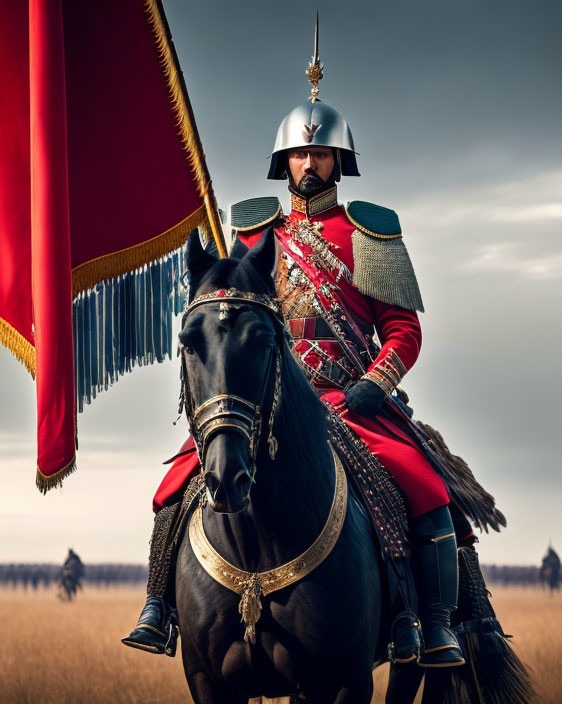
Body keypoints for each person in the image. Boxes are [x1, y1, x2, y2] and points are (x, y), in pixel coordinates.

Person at [122, 41, 466, 670]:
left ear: (341, 160)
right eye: (301, 153)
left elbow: (404, 332)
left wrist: (376, 382)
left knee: (423, 487)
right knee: (175, 483)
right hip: (262, 398)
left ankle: (434, 622)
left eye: (322, 153)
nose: (311, 163)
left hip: (347, 400)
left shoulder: (369, 231)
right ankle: (159, 607)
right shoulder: (254, 234)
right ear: (285, 161)